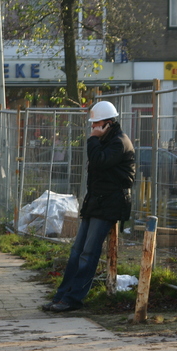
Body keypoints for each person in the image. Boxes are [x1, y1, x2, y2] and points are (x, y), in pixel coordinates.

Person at [42, 101, 134, 313]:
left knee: (88, 253)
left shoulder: (119, 142)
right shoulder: (108, 140)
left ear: (108, 123)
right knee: (77, 253)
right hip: (97, 202)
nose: (93, 128)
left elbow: (99, 161)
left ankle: (73, 299)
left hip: (109, 204)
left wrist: (93, 140)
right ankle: (63, 296)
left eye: (97, 124)